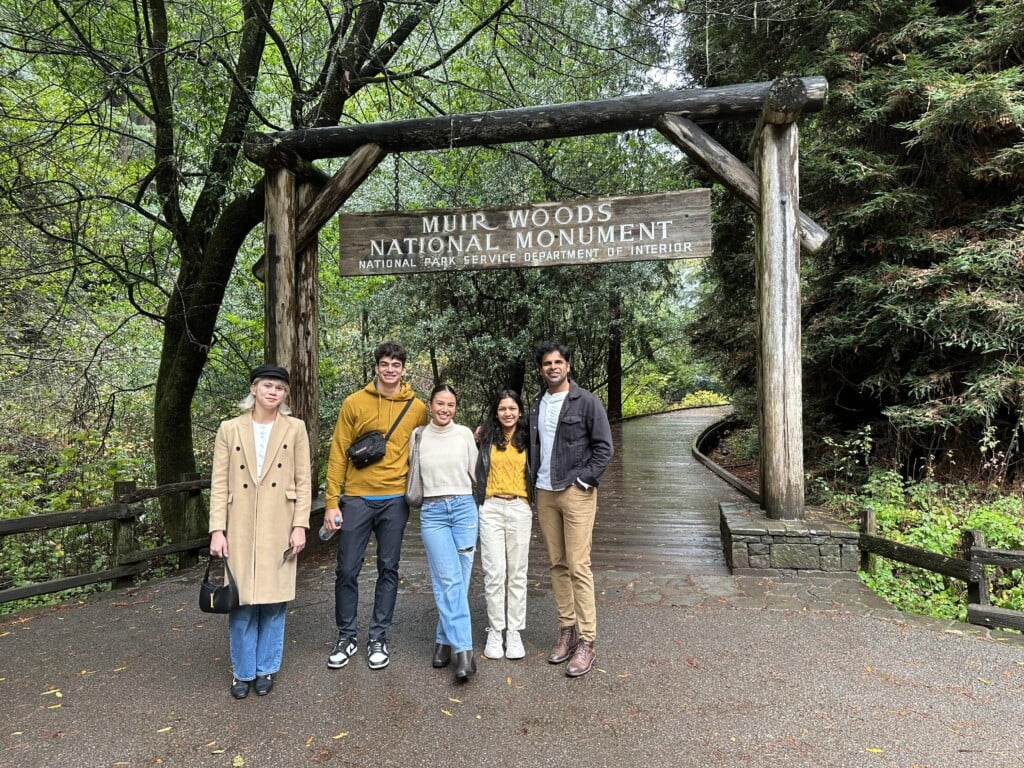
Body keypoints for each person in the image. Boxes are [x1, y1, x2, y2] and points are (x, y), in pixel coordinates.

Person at [322, 342, 428, 671]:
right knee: (347, 569)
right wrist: (331, 502)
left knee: (389, 569)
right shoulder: (354, 403)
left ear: (404, 369)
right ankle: (347, 635)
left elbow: (432, 440)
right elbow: (339, 451)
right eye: (385, 364)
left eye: (396, 364)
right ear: (377, 367)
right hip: (356, 497)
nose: (390, 370)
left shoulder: (417, 408)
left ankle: (378, 636)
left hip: (395, 499)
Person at [209, 364, 311, 700]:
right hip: (238, 525)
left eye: (279, 388)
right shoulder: (230, 429)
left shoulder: (294, 429)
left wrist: (300, 525)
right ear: (254, 389)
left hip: (279, 523)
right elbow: (219, 482)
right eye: (267, 386)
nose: (273, 392)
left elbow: (303, 481)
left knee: (273, 603)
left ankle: (266, 667)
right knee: (240, 602)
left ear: (284, 395)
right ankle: (242, 672)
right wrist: (217, 530)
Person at [528, 341, 613, 678]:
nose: (553, 367)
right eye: (547, 363)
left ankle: (587, 641)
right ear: (541, 369)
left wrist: (584, 480)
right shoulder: (536, 404)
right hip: (544, 492)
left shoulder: (586, 401)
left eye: (558, 361)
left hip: (575, 492)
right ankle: (567, 630)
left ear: (568, 366)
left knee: (579, 564)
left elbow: (604, 447)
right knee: (558, 564)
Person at [415, 384, 480, 681]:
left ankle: (444, 640)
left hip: (464, 509)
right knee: (448, 578)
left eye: (451, 404)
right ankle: (464, 652)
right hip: (433, 513)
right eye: (440, 403)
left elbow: (474, 472)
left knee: (458, 580)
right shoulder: (418, 436)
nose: (445, 409)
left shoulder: (465, 434)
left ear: (456, 407)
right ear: (430, 405)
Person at [473, 389, 532, 661]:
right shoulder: (484, 437)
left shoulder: (530, 437)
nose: (508, 413)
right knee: (494, 572)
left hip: (520, 507)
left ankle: (515, 632)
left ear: (520, 411)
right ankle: (495, 630)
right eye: (502, 409)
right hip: (491, 508)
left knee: (517, 573)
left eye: (512, 408)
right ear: (495, 413)